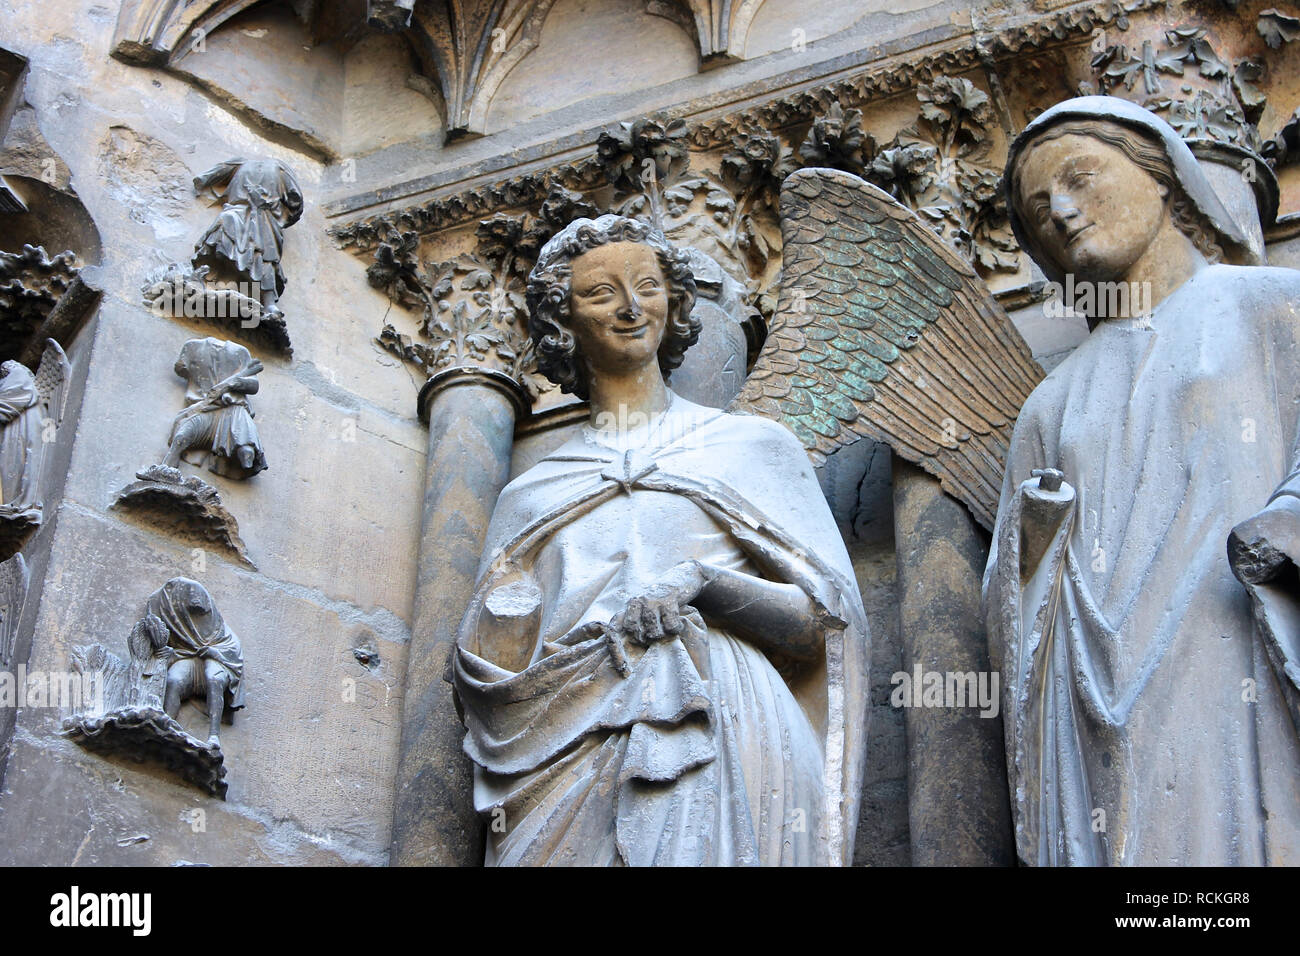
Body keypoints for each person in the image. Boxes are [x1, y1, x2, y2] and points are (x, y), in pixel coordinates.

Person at [451, 215, 871, 866]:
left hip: (722, 717)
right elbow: (487, 681)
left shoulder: (751, 449)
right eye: (599, 294)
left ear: (674, 302)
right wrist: (510, 635)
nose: (628, 307)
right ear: (565, 324)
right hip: (563, 746)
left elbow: (823, 621)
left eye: (646, 285)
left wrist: (705, 585)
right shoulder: (529, 496)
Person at [984, 95, 1300, 865]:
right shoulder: (1049, 404)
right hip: (1095, 691)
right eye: (1036, 208)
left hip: (1235, 639)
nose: (1061, 210)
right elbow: (1007, 594)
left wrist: (1285, 522)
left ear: (1164, 178)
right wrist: (1035, 539)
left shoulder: (1265, 304)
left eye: (1081, 177)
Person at [192, 158, 303, 319]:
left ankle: (267, 302)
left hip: (263, 216)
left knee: (265, 256)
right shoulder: (274, 168)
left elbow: (217, 171)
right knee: (228, 235)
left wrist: (271, 209)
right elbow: (295, 202)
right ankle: (214, 280)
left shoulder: (265, 167)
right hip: (249, 213)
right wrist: (283, 216)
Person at [151, 577, 245, 745]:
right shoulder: (177, 622)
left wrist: (212, 651)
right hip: (188, 656)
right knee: (174, 679)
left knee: (214, 678)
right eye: (192, 595)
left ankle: (214, 736)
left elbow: (232, 650)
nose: (197, 599)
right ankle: (166, 724)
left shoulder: (218, 628)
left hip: (215, 657)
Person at [164, 336, 266, 479]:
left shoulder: (240, 352)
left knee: (246, 450)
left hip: (232, 409)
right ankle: (165, 473)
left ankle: (245, 464)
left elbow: (253, 385)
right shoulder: (193, 347)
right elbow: (180, 368)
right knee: (181, 437)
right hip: (204, 408)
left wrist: (233, 383)